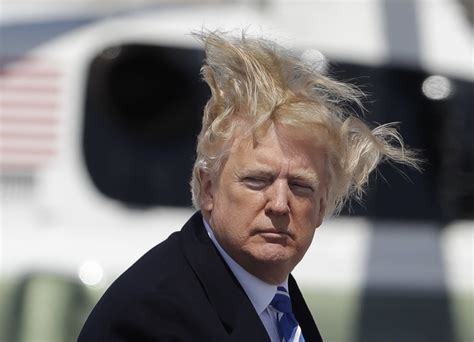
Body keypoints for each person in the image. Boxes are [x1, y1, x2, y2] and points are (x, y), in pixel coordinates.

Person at [78, 30, 419, 341]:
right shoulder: (153, 316)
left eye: (301, 186)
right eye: (257, 180)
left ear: (321, 206)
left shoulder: (273, 296)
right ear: (208, 189)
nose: (280, 204)